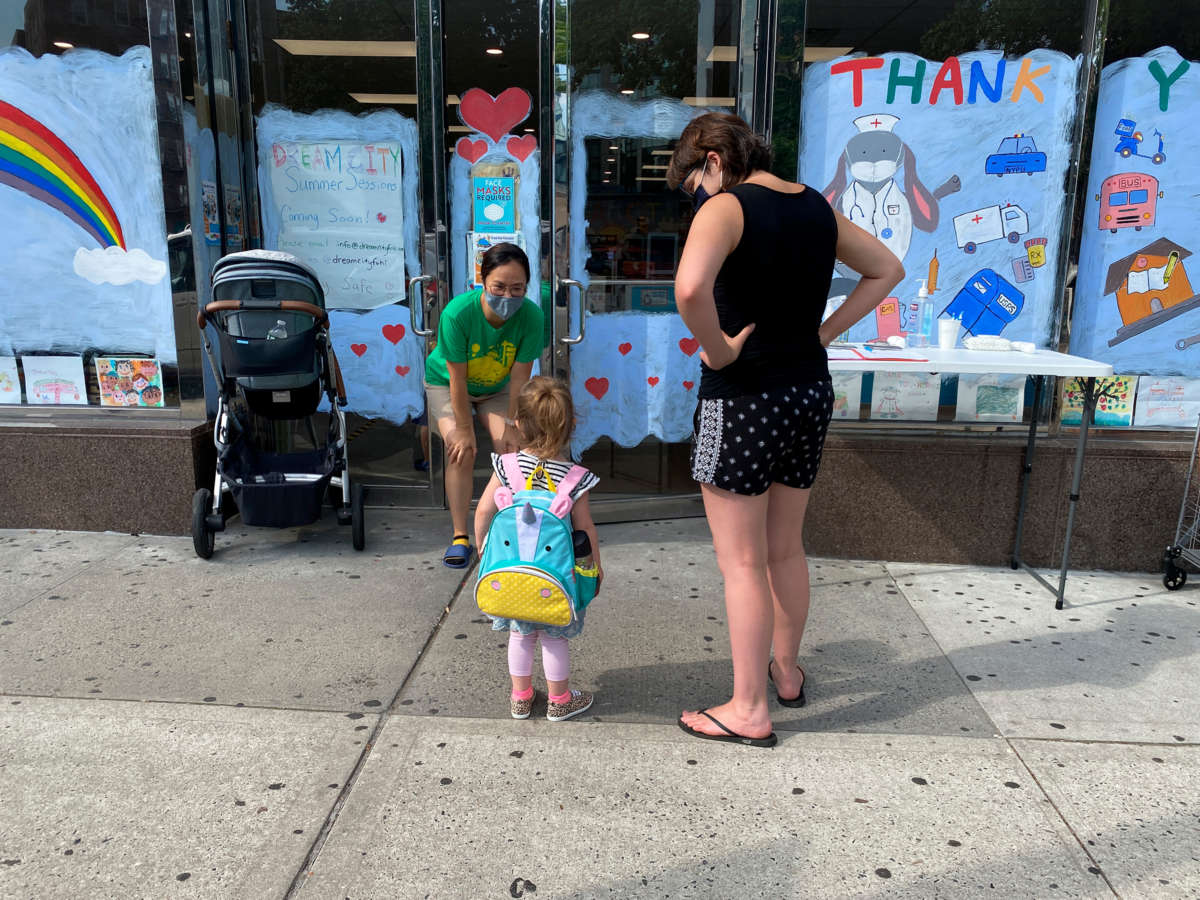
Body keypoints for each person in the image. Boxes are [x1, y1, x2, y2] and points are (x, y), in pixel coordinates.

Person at [668, 112, 903, 747]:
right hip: (808, 391)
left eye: (693, 183)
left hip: (742, 398)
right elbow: (887, 268)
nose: (696, 197)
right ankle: (787, 673)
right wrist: (822, 334)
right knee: (784, 549)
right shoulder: (817, 210)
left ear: (713, 159)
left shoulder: (726, 207)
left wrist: (716, 349)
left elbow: (689, 288)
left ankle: (748, 708)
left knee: (740, 561)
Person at [473, 376, 603, 721]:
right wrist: (595, 569)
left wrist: (484, 549)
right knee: (554, 637)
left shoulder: (507, 466)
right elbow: (584, 529)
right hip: (556, 577)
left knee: (520, 634)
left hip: (511, 574)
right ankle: (560, 701)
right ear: (572, 425)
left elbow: (484, 511)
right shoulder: (575, 477)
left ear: (518, 423)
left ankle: (521, 698)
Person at [424, 243, 544, 567]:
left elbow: (520, 380)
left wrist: (512, 423)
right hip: (447, 385)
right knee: (461, 449)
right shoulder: (458, 313)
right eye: (499, 287)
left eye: (517, 288)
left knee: (513, 449)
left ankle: (515, 527)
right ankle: (461, 536)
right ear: (483, 280)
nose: (507, 296)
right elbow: (457, 381)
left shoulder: (532, 317)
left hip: (498, 389)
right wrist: (463, 430)